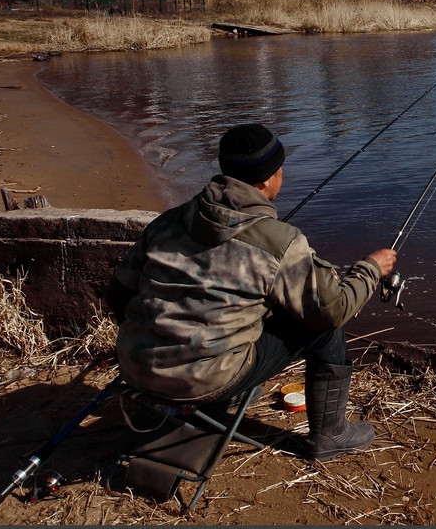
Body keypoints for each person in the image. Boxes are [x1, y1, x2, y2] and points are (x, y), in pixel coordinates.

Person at [105, 123, 398, 461]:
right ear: (267, 180)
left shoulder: (169, 221)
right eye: (280, 169)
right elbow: (332, 309)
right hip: (201, 382)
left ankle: (225, 385)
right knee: (326, 329)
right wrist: (371, 269)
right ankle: (330, 436)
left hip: (135, 368)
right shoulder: (281, 242)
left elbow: (117, 295)